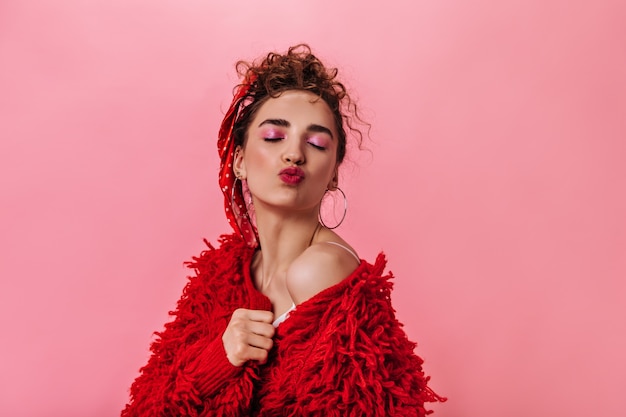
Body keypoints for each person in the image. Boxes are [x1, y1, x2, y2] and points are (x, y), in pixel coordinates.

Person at [121, 44, 444, 416]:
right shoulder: (223, 272)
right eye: (275, 137)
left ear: (334, 172)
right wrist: (217, 361)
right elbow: (146, 406)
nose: (294, 154)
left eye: (317, 143)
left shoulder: (320, 270)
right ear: (239, 160)